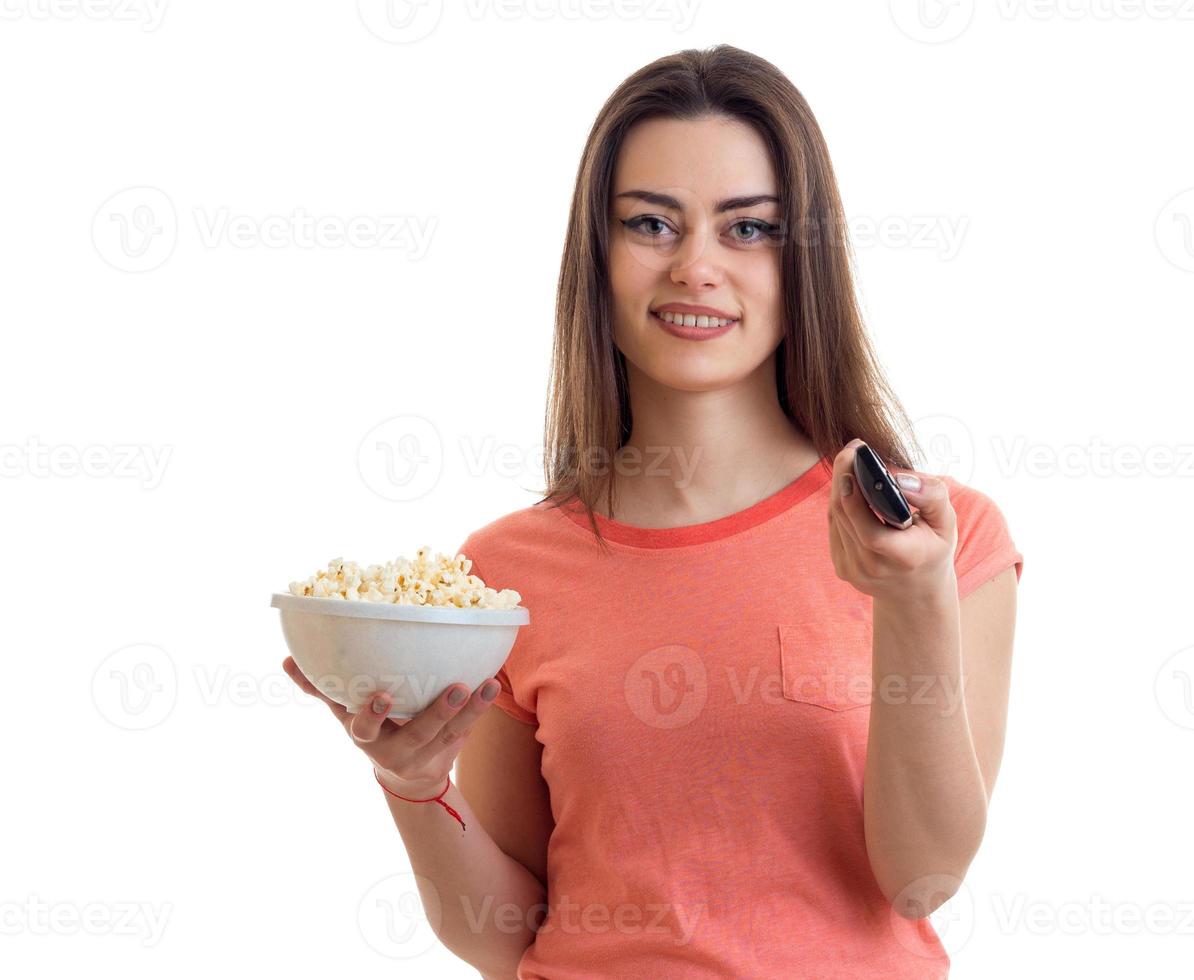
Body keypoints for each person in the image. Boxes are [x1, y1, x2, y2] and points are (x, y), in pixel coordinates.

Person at [285, 43, 1023, 979]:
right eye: (651, 224)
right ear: (598, 255)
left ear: (807, 264)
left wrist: (914, 608)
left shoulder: (940, 543)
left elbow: (922, 879)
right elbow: (504, 933)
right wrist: (413, 784)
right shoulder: (505, 575)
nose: (697, 268)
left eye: (748, 230)